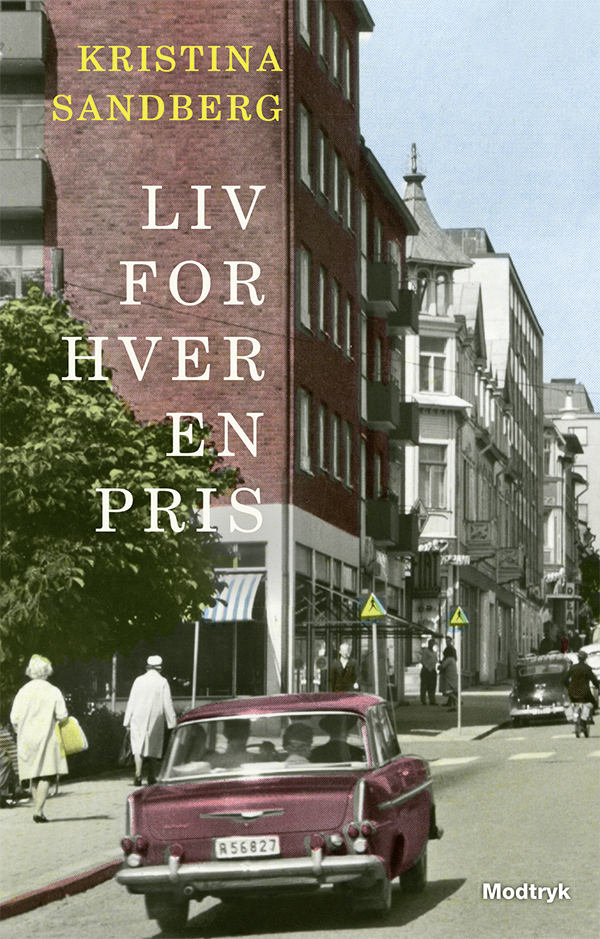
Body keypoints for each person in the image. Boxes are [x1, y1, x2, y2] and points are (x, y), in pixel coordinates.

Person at [9, 655, 69, 822]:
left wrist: (20, 730)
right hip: (47, 736)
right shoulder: (53, 690)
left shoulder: (23, 691)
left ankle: (38, 810)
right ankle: (38, 811)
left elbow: (14, 718)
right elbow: (62, 715)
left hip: (26, 737)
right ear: (47, 671)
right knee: (46, 774)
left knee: (33, 775)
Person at [124, 656, 177, 786]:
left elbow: (131, 701)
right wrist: (173, 723)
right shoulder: (163, 682)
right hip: (156, 717)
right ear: (160, 668)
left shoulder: (138, 680)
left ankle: (137, 775)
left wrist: (127, 721)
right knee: (154, 745)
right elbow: (167, 703)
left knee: (138, 746)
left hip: (138, 716)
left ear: (147, 667)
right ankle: (151, 776)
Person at [438, 646, 458, 710]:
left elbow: (443, 667)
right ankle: (453, 706)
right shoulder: (453, 659)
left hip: (449, 678)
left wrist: (439, 666)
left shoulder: (449, 659)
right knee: (452, 691)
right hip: (453, 677)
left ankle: (458, 700)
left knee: (447, 692)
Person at [420, 640, 438, 705]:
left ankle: (432, 700)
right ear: (429, 644)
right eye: (431, 643)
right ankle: (423, 700)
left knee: (432, 686)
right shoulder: (425, 651)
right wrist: (427, 668)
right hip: (426, 671)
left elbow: (435, 661)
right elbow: (423, 661)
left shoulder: (434, 652)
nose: (432, 645)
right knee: (424, 686)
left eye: (433, 644)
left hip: (433, 670)